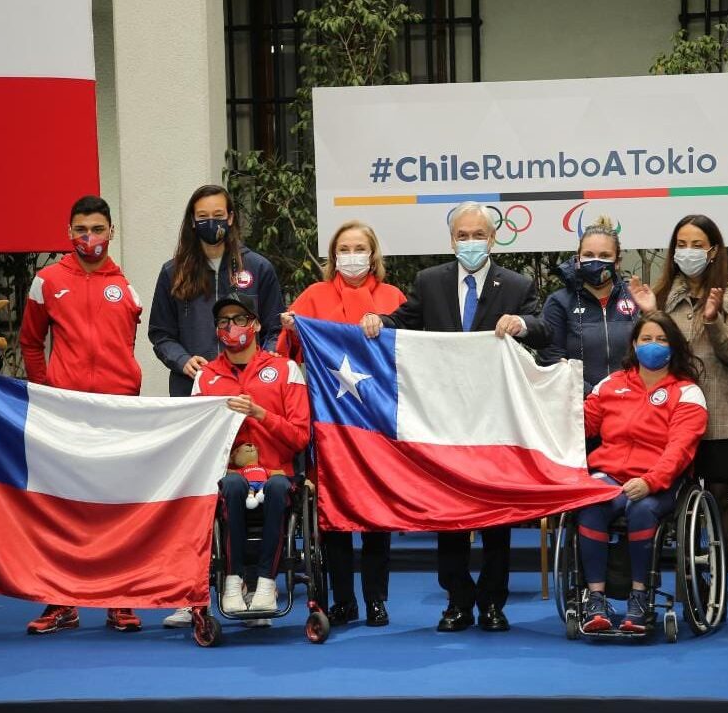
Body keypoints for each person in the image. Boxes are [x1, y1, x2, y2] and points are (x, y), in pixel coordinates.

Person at [360, 201, 551, 633]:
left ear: (493, 238)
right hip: (444, 418)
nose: (470, 242)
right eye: (462, 236)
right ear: (451, 241)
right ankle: (458, 601)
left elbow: (544, 329)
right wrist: (377, 321)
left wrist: (521, 323)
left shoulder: (517, 285)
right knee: (451, 513)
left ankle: (493, 603)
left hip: (494, 418)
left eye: (477, 235)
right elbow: (402, 322)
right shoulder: (430, 282)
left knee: (496, 515)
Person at [18, 195, 144, 635]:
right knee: (62, 506)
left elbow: (123, 348)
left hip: (116, 411)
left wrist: (124, 389)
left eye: (96, 229)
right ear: (68, 233)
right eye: (80, 229)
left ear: (111, 231)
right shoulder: (47, 281)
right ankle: (60, 601)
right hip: (65, 413)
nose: (88, 237)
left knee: (114, 505)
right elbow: (30, 343)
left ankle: (120, 599)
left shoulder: (127, 286)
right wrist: (47, 392)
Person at [275, 220, 406, 628]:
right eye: (344, 248)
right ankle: (344, 601)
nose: (352, 255)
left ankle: (377, 601)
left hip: (376, 422)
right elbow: (289, 356)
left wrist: (386, 324)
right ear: (333, 256)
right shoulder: (313, 296)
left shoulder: (392, 296)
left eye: (359, 247)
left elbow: (410, 351)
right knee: (332, 515)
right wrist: (291, 328)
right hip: (329, 422)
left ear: (373, 253)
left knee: (375, 513)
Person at [577, 312, 708, 634]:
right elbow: (582, 425)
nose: (653, 346)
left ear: (674, 346)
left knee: (641, 510)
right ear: (634, 345)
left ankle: (640, 597)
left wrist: (650, 481)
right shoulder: (611, 384)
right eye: (646, 339)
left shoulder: (687, 392)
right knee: (590, 502)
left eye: (661, 340)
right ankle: (596, 600)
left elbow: (680, 449)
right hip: (610, 473)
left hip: (660, 480)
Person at [193, 293, 310, 623]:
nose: (232, 327)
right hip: (229, 476)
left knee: (275, 488)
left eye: (240, 319)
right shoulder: (206, 376)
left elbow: (301, 437)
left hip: (277, 473)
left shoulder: (285, 369)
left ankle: (265, 582)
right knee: (229, 484)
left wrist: (262, 414)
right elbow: (198, 441)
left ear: (256, 325)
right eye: (224, 321)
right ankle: (232, 582)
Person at [653, 214, 728, 557]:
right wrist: (651, 315)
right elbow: (652, 352)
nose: (688, 252)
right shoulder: (662, 294)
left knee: (721, 495)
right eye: (681, 245)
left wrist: (713, 321)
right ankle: (687, 574)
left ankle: (719, 575)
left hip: (720, 410)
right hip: (673, 411)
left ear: (713, 251)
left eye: (697, 245)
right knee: (679, 495)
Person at [149, 184, 284, 397]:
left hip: (249, 388)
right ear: (193, 221)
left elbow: (275, 328)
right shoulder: (173, 272)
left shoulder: (258, 268)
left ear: (230, 218)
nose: (211, 222)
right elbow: (161, 333)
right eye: (203, 216)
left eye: (218, 215)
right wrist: (182, 360)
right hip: (193, 387)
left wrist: (263, 363)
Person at [538, 215, 656, 394]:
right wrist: (594, 396)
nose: (596, 262)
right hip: (579, 408)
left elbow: (660, 354)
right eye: (588, 255)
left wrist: (652, 314)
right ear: (578, 259)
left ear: (617, 262)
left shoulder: (636, 298)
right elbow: (551, 359)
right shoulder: (559, 302)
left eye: (605, 256)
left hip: (633, 405)